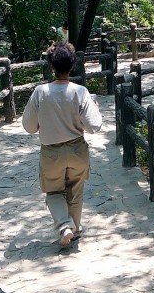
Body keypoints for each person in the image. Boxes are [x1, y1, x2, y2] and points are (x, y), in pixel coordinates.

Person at [22, 43, 102, 247]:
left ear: (52, 66)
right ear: (72, 66)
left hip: (51, 153)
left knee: (54, 192)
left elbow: (29, 126)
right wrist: (95, 108)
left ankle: (65, 226)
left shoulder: (41, 92)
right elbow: (94, 126)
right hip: (77, 150)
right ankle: (73, 229)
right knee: (75, 191)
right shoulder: (81, 92)